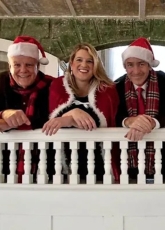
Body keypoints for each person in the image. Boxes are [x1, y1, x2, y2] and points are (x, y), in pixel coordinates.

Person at [43, 43, 119, 181]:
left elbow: (100, 121)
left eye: (89, 61)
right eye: (79, 60)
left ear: (95, 65)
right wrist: (72, 113)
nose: (84, 65)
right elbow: (53, 119)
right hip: (61, 165)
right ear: (71, 64)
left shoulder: (107, 89)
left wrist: (69, 118)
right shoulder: (57, 85)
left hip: (98, 163)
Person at [0, 35, 54, 182]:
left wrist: (7, 124)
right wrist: (5, 114)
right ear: (10, 66)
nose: (23, 70)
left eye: (29, 65)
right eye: (17, 65)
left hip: (47, 159)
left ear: (38, 66)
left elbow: (49, 119)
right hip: (7, 162)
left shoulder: (52, 85)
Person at [114, 37, 165, 180]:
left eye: (141, 64)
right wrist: (130, 121)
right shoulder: (117, 86)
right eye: (130, 65)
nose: (136, 71)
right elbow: (115, 116)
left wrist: (151, 123)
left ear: (149, 65)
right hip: (127, 162)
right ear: (125, 67)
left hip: (163, 159)